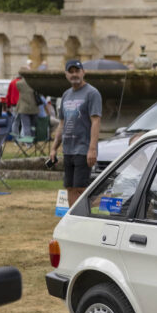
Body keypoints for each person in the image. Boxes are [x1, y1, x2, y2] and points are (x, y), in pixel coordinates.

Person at [48, 60, 102, 206]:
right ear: (66, 74)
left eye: (77, 71)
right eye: (70, 72)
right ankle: (73, 220)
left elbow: (96, 121)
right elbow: (62, 123)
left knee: (81, 187)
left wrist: (92, 148)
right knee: (70, 187)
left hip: (83, 149)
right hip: (68, 149)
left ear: (83, 72)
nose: (74, 74)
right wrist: (54, 148)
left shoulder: (92, 93)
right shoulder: (66, 95)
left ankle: (105, 203)